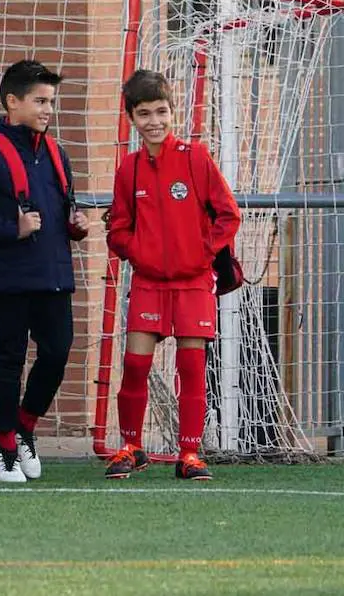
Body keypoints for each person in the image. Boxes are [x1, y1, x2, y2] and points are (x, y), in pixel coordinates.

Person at [0, 60, 90, 484]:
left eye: (52, 101)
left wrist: (76, 225)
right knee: (9, 359)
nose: (49, 109)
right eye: (40, 101)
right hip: (9, 277)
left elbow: (62, 206)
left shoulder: (56, 153)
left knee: (57, 352)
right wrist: (14, 229)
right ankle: (6, 447)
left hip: (53, 274)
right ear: (13, 102)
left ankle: (25, 427)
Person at [104, 69, 241, 481]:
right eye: (144, 114)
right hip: (148, 282)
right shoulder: (128, 169)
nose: (154, 122)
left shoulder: (195, 158)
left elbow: (228, 215)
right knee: (134, 364)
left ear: (172, 112)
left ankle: (190, 453)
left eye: (161, 111)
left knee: (192, 368)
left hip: (193, 282)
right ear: (132, 118)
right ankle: (130, 446)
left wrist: (201, 253)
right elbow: (118, 229)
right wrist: (137, 252)